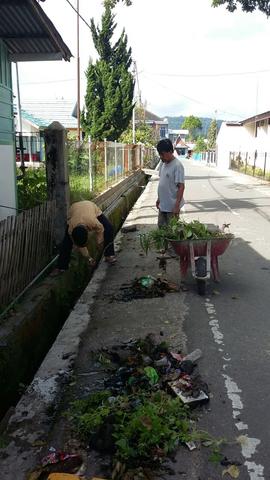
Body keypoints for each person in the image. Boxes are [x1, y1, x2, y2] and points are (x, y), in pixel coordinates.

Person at [54, 200, 116, 273]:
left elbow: (101, 230)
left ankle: (109, 255)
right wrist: (89, 258)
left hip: (90, 206)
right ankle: (61, 267)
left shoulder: (94, 222)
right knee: (66, 242)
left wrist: (100, 243)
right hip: (74, 208)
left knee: (109, 228)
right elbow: (79, 243)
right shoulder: (71, 228)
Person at [156, 138, 185, 228]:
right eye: (160, 154)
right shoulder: (163, 164)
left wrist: (176, 206)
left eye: (162, 154)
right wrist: (159, 199)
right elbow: (163, 182)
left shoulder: (177, 165)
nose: (161, 156)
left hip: (172, 208)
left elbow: (181, 187)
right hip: (162, 206)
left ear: (170, 152)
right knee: (161, 229)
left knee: (172, 232)